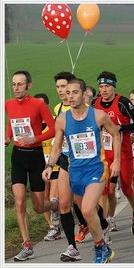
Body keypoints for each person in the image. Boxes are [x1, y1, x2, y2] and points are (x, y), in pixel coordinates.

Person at [42, 78, 120, 263]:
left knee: (86, 210)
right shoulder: (62, 120)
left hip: (96, 170)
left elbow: (116, 134)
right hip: (75, 172)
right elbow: (57, 147)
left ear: (84, 94)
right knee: (85, 210)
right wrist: (48, 166)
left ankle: (100, 246)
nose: (70, 96)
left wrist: (116, 161)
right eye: (67, 93)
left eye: (74, 92)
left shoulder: (98, 116)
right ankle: (102, 242)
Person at [5, 70, 59, 261]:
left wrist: (34, 139)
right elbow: (11, 121)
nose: (16, 88)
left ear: (29, 86)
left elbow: (53, 129)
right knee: (19, 202)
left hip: (35, 157)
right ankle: (27, 245)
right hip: (18, 157)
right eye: (14, 84)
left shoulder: (38, 105)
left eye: (20, 84)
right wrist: (8, 137)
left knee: (37, 207)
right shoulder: (8, 104)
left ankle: (54, 206)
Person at [94, 71, 134, 235]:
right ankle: (105, 222)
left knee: (127, 189)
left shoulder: (122, 102)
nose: (104, 90)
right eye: (101, 86)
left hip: (123, 153)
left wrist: (121, 127)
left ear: (113, 87)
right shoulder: (96, 104)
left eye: (107, 86)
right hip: (104, 154)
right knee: (104, 190)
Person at [52, 71, 93, 261]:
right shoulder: (58, 110)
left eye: (66, 88)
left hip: (87, 163)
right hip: (66, 161)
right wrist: (48, 165)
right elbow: (57, 144)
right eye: (59, 88)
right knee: (64, 204)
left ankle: (103, 224)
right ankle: (72, 247)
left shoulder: (87, 110)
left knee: (84, 205)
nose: (63, 92)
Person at [34, 93, 61, 242]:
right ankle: (52, 225)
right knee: (42, 201)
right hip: (39, 168)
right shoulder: (32, 124)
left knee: (53, 198)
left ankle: (55, 229)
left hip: (55, 166)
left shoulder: (55, 122)